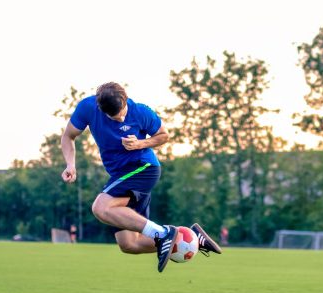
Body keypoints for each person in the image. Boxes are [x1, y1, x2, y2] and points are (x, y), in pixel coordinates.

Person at [61, 82, 221, 272]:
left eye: (122, 113)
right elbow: (68, 136)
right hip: (120, 175)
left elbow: (163, 135)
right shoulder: (87, 107)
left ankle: (164, 233)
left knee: (100, 208)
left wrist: (140, 144)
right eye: (114, 117)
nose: (120, 119)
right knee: (129, 244)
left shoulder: (141, 112)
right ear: (100, 109)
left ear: (126, 100)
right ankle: (193, 239)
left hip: (143, 168)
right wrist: (70, 164)